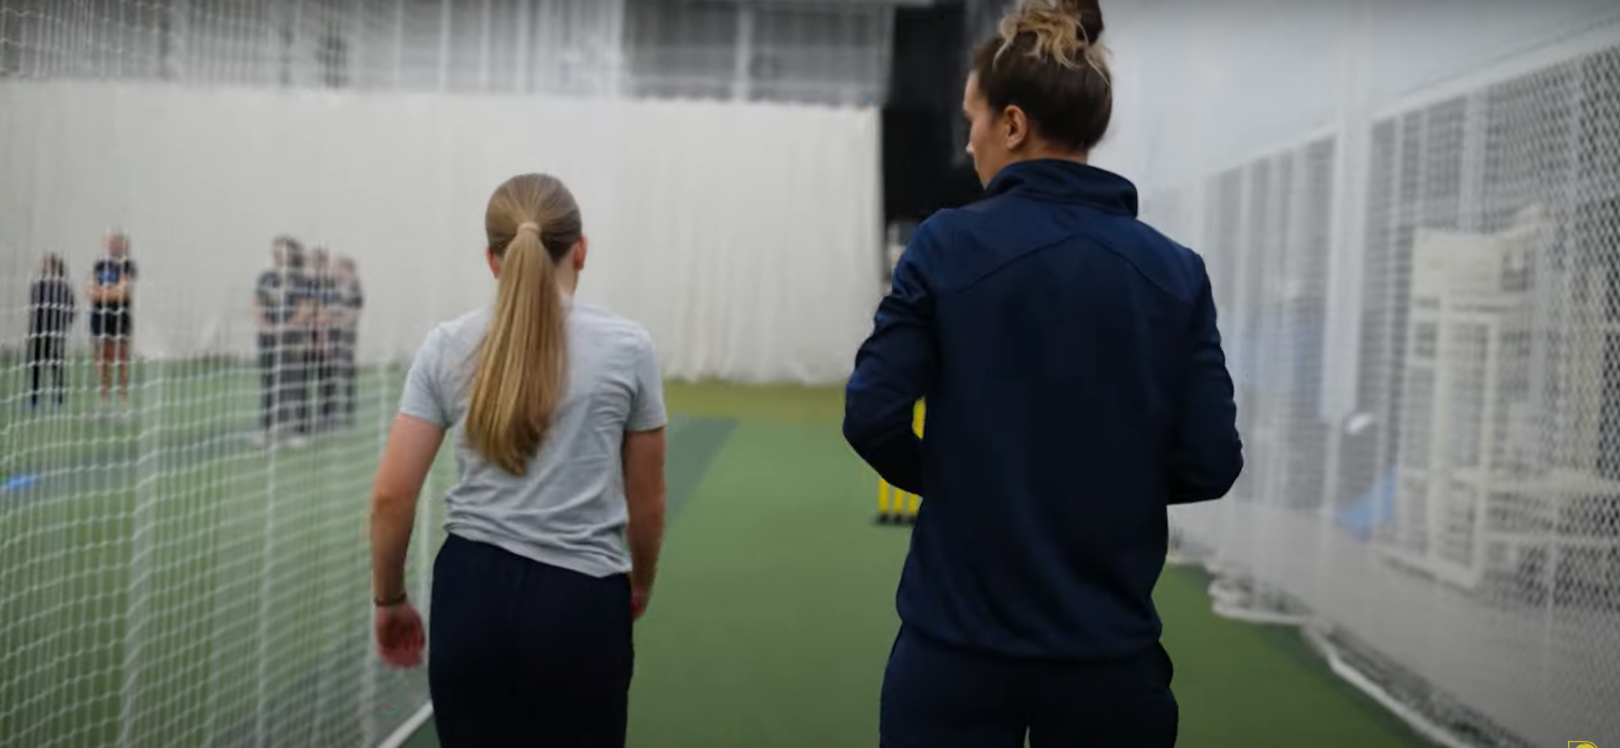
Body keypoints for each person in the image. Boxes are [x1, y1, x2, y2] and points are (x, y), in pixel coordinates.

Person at [842, 2, 1244, 746]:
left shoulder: (945, 246)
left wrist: (959, 481)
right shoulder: (1175, 273)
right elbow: (1212, 460)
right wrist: (1107, 486)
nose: (970, 142)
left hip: (953, 652)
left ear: (1015, 124)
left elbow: (871, 414)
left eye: (974, 121)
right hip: (1110, 663)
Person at [368, 173, 668, 747]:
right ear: (580, 249)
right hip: (582, 603)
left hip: (469, 596)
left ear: (491, 259)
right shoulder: (630, 348)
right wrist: (641, 582)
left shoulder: (446, 345)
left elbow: (390, 497)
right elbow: (647, 501)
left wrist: (390, 599)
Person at [252, 237, 311, 447]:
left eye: (285, 250)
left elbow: (305, 309)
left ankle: (298, 430)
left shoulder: (301, 280)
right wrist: (265, 326)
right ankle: (268, 429)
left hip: (292, 339)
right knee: (269, 382)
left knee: (294, 382)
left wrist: (285, 327)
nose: (281, 254)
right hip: (267, 339)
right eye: (277, 251)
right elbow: (257, 303)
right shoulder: (266, 278)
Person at [88, 231, 137, 413]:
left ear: (123, 246)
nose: (112, 246)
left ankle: (123, 399)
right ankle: (104, 399)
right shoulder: (99, 265)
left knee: (122, 359)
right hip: (99, 318)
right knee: (101, 359)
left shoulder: (128, 265)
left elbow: (123, 292)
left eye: (116, 243)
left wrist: (102, 293)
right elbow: (90, 291)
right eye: (109, 243)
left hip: (120, 319)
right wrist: (108, 292)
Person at [27, 254, 76, 410]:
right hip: (39, 332)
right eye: (43, 265)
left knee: (56, 365)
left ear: (56, 267)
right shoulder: (37, 284)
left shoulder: (64, 287)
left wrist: (63, 325)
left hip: (56, 332)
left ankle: (58, 399)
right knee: (36, 366)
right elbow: (34, 308)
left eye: (47, 265)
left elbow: (72, 308)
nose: (44, 267)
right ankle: (34, 400)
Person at [332, 256, 364, 427]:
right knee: (329, 373)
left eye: (340, 268)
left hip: (346, 337)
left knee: (347, 371)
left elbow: (351, 317)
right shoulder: (331, 288)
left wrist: (333, 318)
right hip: (331, 336)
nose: (336, 271)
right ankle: (330, 411)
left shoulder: (355, 289)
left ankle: (348, 411)